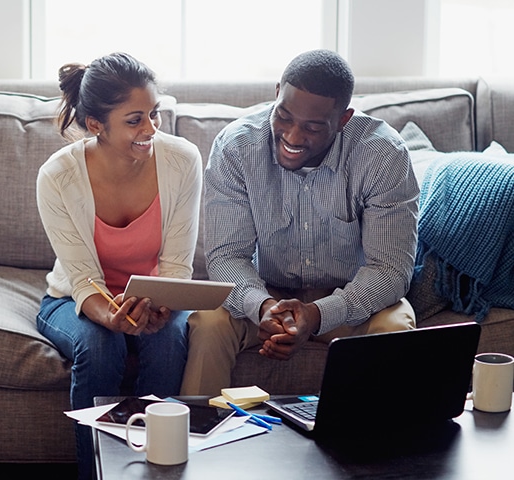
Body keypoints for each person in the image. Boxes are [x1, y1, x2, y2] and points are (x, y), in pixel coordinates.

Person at [180, 49, 419, 396]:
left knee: (396, 325)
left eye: (312, 127)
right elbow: (226, 257)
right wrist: (262, 307)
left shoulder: (382, 156)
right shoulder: (236, 147)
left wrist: (318, 315)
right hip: (267, 296)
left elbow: (390, 270)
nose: (292, 136)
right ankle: (200, 442)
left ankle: (370, 445)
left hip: (347, 302)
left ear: (343, 119)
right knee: (209, 321)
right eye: (284, 117)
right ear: (277, 93)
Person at [35, 52, 202, 479]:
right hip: (76, 299)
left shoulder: (183, 161)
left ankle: (156, 469)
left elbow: (176, 265)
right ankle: (98, 472)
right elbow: (82, 278)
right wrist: (113, 315)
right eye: (134, 120)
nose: (151, 129)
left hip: (156, 294)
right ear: (96, 125)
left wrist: (162, 303)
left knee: (168, 341)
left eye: (154, 114)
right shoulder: (58, 176)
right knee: (99, 346)